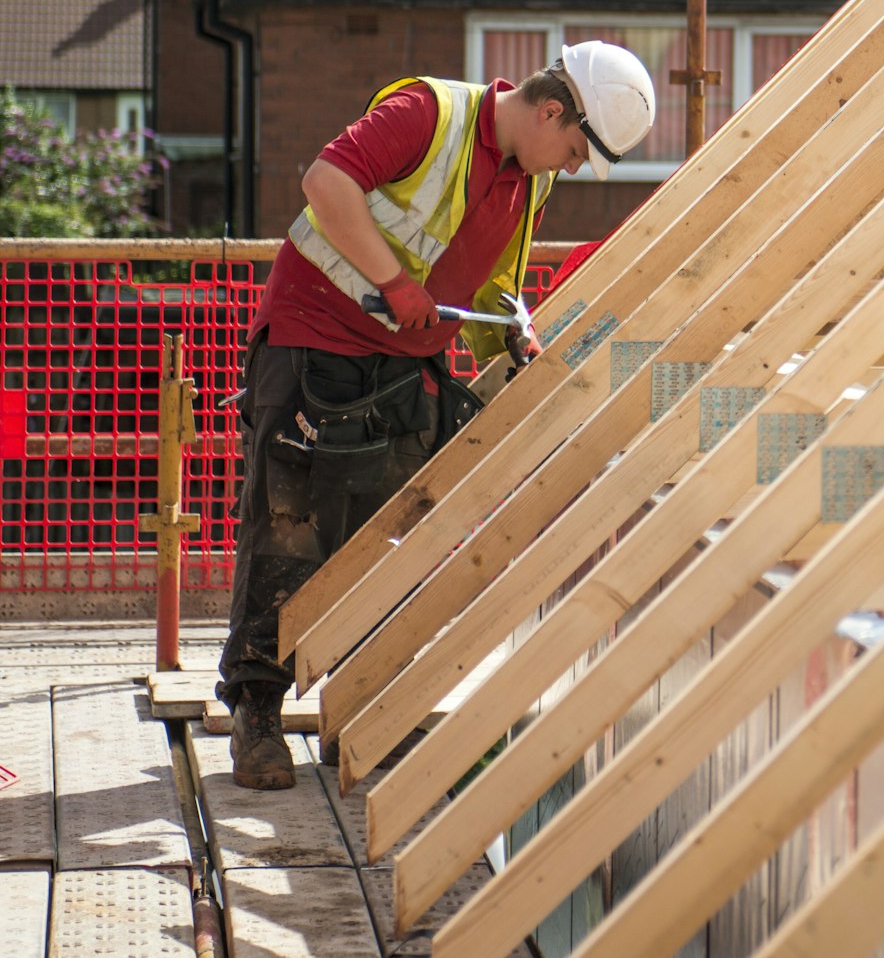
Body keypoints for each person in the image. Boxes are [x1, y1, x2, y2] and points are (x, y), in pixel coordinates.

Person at [219, 41, 656, 789]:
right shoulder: (430, 114)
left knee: (391, 535)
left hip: (402, 365)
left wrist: (517, 349)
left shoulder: (530, 179)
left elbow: (491, 290)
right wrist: (392, 283)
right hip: (313, 343)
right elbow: (326, 181)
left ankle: (355, 711)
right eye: (578, 148)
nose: (575, 165)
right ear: (552, 110)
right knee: (287, 526)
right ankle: (256, 713)